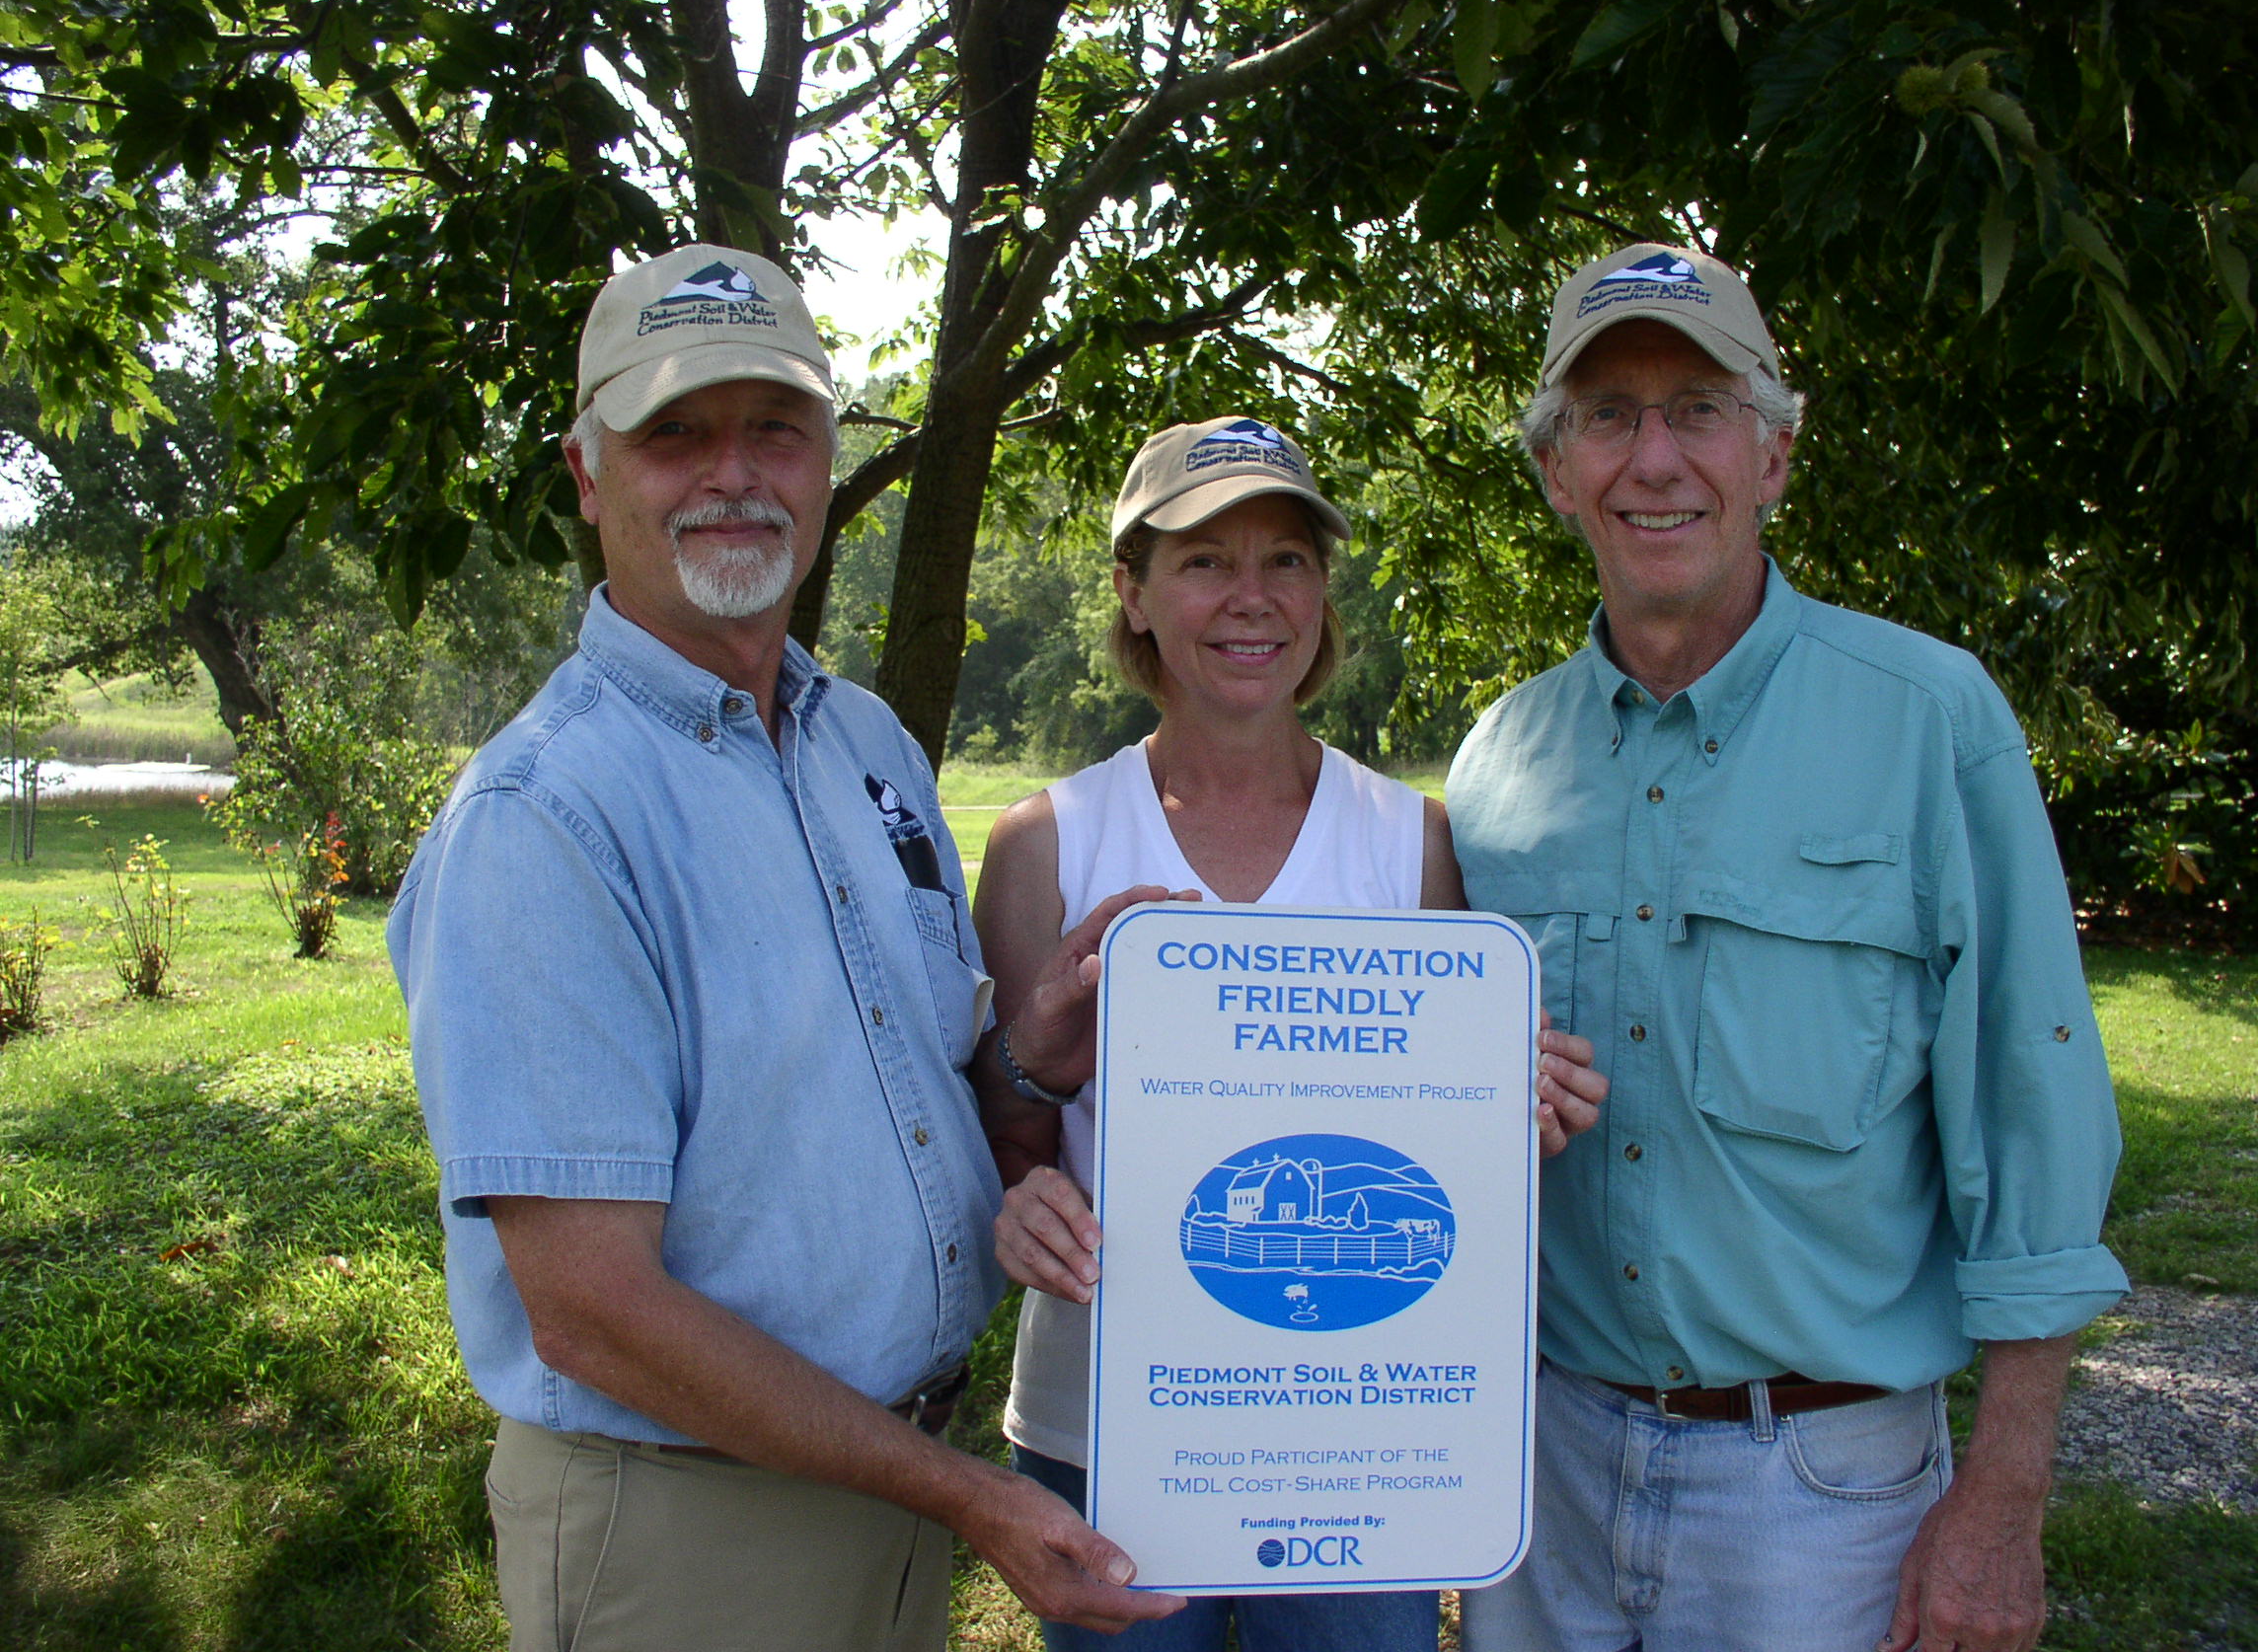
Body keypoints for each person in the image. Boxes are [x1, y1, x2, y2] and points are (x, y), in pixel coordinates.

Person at [388, 243, 1183, 1651]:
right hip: (687, 1531)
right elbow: (595, 1313)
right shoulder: (545, 819)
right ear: (588, 474)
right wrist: (972, 1496)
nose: (732, 474)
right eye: (675, 434)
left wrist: (1032, 1057)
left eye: (775, 428)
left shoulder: (864, 744)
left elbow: (925, 1083)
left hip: (881, 1495)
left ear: (826, 459)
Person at [1447, 243, 2129, 1652]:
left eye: (1700, 407)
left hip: (1820, 1495)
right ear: (1553, 469)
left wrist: (2003, 1498)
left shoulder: (1928, 721)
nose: (1657, 457)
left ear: (1776, 453)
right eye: (1609, 415)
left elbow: (2032, 1107)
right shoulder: (1497, 763)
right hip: (1541, 1460)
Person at [973, 415, 1612, 1652]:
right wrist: (1023, 1194)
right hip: (1107, 1423)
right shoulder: (1044, 841)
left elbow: (1447, 1152)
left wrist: (1516, 1110)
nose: (1249, 598)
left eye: (1287, 559)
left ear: (1322, 593)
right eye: (1204, 560)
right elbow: (1007, 1119)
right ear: (1134, 592)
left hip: (1355, 1425)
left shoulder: (1409, 839)